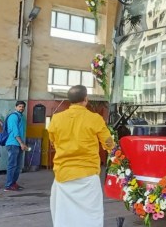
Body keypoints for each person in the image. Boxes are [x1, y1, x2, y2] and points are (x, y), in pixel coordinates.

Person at [48, 85, 115, 227]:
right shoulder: (94, 118)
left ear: (69, 100)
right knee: (91, 216)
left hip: (63, 174)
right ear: (86, 99)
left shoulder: (56, 118)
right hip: (87, 175)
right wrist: (118, 157)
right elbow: (109, 143)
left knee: (64, 215)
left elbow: (53, 142)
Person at [5, 101, 28, 192]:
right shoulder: (13, 117)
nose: (21, 108)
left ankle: (13, 183)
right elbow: (15, 132)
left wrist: (22, 143)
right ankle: (8, 185)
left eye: (22, 107)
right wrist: (22, 143)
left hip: (19, 144)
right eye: (19, 106)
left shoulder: (22, 117)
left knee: (18, 166)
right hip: (13, 144)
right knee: (12, 165)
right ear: (15, 107)